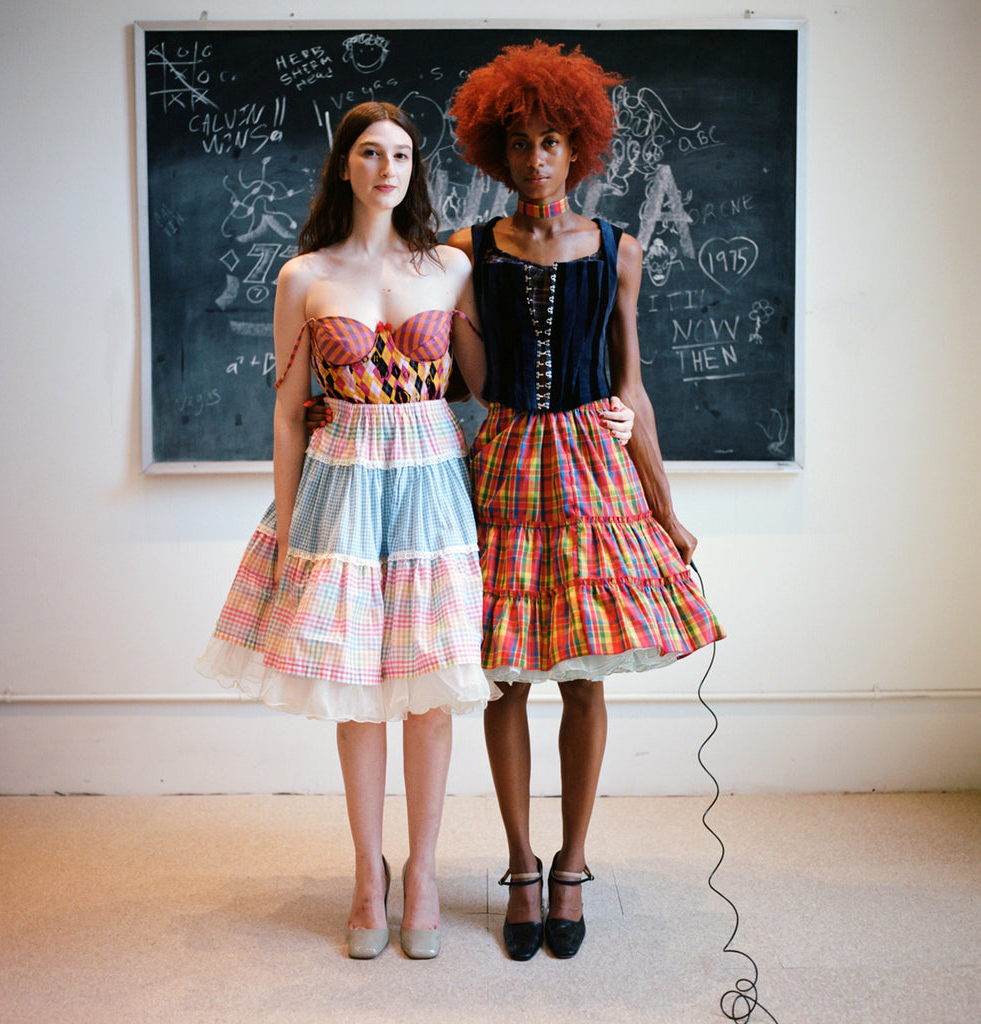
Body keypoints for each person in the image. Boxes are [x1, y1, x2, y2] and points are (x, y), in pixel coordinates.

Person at [195, 102, 497, 961]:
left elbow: (484, 383)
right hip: (342, 487)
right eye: (370, 152)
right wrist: (291, 532)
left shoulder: (449, 266)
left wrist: (602, 401)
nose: (387, 167)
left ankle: (426, 871)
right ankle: (370, 875)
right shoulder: (303, 277)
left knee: (430, 690)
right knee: (357, 691)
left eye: (402, 154)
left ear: (415, 169)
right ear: (344, 166)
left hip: (432, 481)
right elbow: (289, 416)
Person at [445, 40, 725, 961]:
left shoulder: (620, 248)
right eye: (522, 142)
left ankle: (573, 863)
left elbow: (632, 388)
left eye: (554, 141)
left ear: (579, 150)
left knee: (586, 675)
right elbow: (473, 383)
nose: (537, 158)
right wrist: (453, 318)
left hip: (592, 471)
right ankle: (521, 865)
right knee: (507, 673)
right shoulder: (468, 249)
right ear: (498, 151)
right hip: (508, 461)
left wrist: (667, 506)